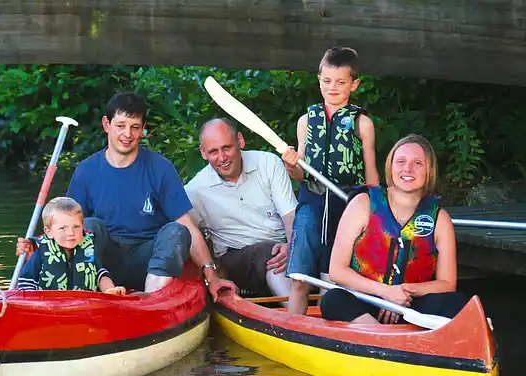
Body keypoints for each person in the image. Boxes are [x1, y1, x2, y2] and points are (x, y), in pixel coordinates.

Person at [17, 93, 236, 299]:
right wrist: (35, 246)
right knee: (91, 225)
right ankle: (90, 295)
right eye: (120, 126)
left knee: (177, 231)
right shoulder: (86, 170)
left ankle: (150, 298)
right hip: (102, 264)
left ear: (143, 130)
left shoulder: (160, 168)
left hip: (149, 263)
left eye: (135, 127)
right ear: (106, 125)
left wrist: (212, 276)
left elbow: (186, 225)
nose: (127, 134)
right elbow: (64, 225)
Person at [320, 135, 467, 324]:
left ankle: (403, 337)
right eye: (401, 161)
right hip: (366, 300)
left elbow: (447, 284)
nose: (408, 168)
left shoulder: (439, 219)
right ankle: (378, 336)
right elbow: (337, 271)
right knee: (333, 300)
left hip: (410, 306)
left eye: (418, 163)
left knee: (456, 302)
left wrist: (403, 294)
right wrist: (386, 292)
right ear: (390, 167)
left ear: (429, 171)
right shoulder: (363, 203)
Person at [280, 46, 380, 314]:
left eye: (340, 82)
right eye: (326, 81)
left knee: (332, 280)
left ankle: (330, 335)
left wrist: (377, 211)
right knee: (300, 277)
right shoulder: (306, 121)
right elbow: (300, 174)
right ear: (319, 80)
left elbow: (371, 176)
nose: (332, 88)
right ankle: (293, 330)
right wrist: (291, 166)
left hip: (347, 206)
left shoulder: (362, 124)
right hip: (311, 202)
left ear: (354, 84)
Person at [184, 118, 307, 312]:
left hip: (282, 243)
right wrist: (211, 275)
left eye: (227, 148)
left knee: (315, 235)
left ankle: (340, 315)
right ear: (203, 153)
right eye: (213, 152)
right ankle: (299, 321)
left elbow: (291, 215)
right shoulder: (194, 191)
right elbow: (188, 234)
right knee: (270, 255)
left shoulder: (268, 162)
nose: (222, 157)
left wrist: (292, 245)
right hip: (236, 257)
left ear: (240, 141)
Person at [16, 197, 125, 295]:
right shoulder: (41, 252)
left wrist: (110, 290)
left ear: (83, 226)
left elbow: (100, 274)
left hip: (84, 306)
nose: (71, 233)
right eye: (63, 228)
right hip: (48, 307)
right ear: (48, 232)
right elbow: (27, 281)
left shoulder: (88, 248)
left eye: (76, 227)